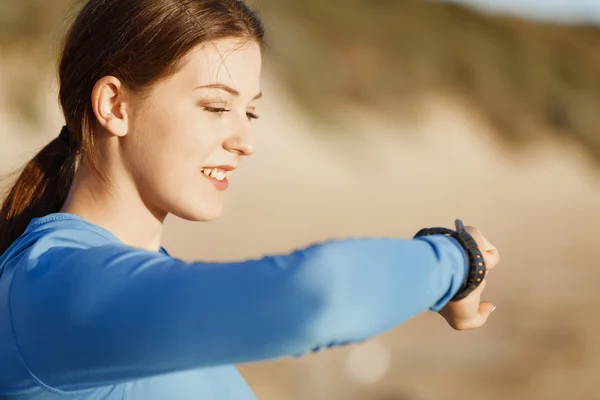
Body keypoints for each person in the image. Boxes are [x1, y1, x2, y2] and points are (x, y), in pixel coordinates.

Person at [0, 1, 500, 399]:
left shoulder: (127, 276)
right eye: (216, 106)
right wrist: (456, 261)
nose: (245, 141)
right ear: (114, 105)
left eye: (250, 113)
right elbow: (321, 293)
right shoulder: (54, 284)